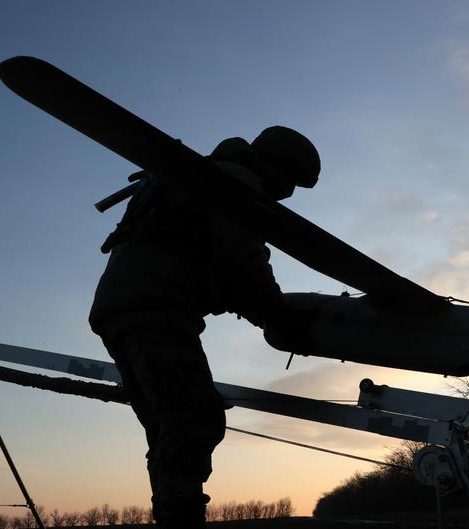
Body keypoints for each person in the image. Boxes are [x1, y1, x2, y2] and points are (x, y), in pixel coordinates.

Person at [88, 126, 320, 527]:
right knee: (194, 417)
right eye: (290, 182)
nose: (287, 194)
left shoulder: (202, 176)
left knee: (169, 424)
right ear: (274, 164)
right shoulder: (234, 181)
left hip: (120, 308)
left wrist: (260, 311)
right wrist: (280, 318)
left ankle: (174, 511)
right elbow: (241, 262)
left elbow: (219, 268)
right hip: (155, 307)